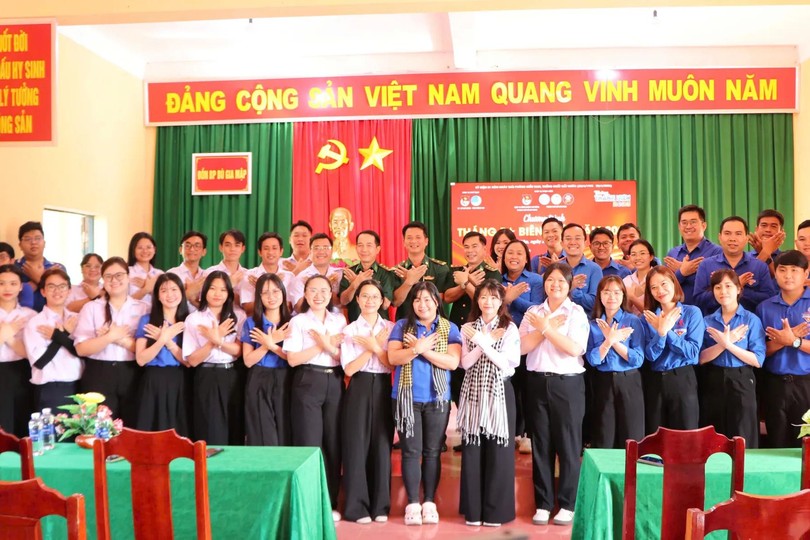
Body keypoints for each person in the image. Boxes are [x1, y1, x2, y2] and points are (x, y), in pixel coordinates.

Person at [519, 262, 589, 526]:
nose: (555, 285)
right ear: (544, 283)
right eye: (551, 280)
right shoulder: (532, 312)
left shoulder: (577, 312)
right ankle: (544, 504)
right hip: (536, 382)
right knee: (541, 445)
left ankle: (568, 504)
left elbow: (574, 348)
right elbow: (522, 348)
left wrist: (545, 329)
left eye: (561, 281)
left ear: (569, 285)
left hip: (567, 384)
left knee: (568, 445)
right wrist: (544, 327)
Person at [388, 282, 461, 526]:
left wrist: (421, 350)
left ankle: (429, 501)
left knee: (432, 452)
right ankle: (412, 503)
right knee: (411, 452)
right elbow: (393, 357)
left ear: (437, 302)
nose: (422, 304)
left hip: (437, 400)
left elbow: (452, 362)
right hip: (406, 399)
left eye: (428, 299)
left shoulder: (449, 328)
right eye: (417, 300)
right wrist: (415, 349)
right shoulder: (401, 326)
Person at [284, 274, 347, 521]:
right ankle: (308, 501)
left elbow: (344, 355)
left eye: (324, 290)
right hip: (307, 381)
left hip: (334, 381)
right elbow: (293, 359)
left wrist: (327, 344)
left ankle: (330, 501)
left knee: (333, 442)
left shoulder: (339, 320)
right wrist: (323, 344)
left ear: (330, 294)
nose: (318, 296)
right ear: (305, 294)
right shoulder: (298, 322)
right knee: (309, 442)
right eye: (313, 291)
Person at [458, 279, 520, 527]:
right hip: (473, 389)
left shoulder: (509, 328)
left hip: (500, 392)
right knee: (473, 448)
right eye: (484, 297)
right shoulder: (468, 328)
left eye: (494, 298)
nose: (488, 302)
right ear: (477, 300)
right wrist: (485, 341)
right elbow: (465, 363)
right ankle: (474, 511)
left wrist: (482, 342)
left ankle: (496, 512)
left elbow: (508, 364)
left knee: (499, 450)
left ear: (501, 302)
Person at [340, 279, 395, 524]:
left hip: (384, 387)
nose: (370, 300)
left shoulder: (392, 328)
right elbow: (350, 368)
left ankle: (380, 506)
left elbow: (392, 363)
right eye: (365, 296)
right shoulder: (350, 329)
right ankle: (356, 507)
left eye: (375, 296)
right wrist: (371, 348)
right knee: (356, 445)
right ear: (358, 299)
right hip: (359, 387)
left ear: (383, 300)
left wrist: (375, 346)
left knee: (382, 444)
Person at [74, 257, 150, 426]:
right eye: (108, 276)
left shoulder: (143, 308)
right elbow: (81, 349)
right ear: (103, 280)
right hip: (99, 373)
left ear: (128, 276)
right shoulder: (91, 308)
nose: (114, 280)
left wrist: (120, 339)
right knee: (99, 429)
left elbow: (147, 351)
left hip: (133, 373)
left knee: (133, 427)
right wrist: (108, 337)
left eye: (119, 275)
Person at [699, 269, 765, 447]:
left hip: (742, 378)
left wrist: (729, 345)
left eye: (728, 286)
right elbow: (701, 358)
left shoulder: (751, 320)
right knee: (714, 432)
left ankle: (744, 473)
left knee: (743, 433)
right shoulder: (707, 321)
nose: (723, 291)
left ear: (738, 289)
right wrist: (724, 344)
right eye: (718, 287)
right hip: (713, 378)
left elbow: (758, 360)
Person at [183, 271, 245, 445]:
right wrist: (212, 341)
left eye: (223, 290)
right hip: (206, 376)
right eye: (212, 289)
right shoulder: (194, 319)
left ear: (229, 293)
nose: (218, 294)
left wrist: (218, 340)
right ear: (204, 291)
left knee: (235, 428)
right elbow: (192, 360)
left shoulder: (238, 316)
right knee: (211, 429)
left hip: (232, 376)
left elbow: (238, 351)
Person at [756, 250, 810, 448]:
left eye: (794, 270)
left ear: (806, 273)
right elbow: (760, 353)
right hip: (774, 385)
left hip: (806, 384)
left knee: (805, 445)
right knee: (776, 442)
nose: (788, 275)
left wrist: (794, 341)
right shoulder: (764, 308)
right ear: (775, 273)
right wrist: (783, 340)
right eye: (782, 270)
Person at [642, 266, 704, 433]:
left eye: (663, 284)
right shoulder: (647, 318)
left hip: (682, 378)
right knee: (655, 435)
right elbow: (650, 355)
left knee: (685, 433)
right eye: (653, 287)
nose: (659, 290)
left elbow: (692, 352)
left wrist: (666, 331)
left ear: (674, 283)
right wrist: (660, 334)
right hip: (655, 380)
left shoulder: (692, 313)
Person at [585, 276, 645, 448]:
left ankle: (630, 475)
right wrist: (608, 341)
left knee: (631, 434)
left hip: (629, 380)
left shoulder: (632, 320)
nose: (612, 296)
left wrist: (614, 342)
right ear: (600, 296)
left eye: (617, 292)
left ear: (623, 296)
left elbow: (637, 359)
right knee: (604, 434)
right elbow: (593, 359)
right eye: (607, 292)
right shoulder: (594, 324)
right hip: (602, 381)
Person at [447, 232, 500, 408]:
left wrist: (465, 283)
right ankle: (463, 417)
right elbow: (447, 297)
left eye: (474, 246)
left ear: (485, 248)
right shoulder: (456, 271)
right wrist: (465, 281)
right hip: (457, 329)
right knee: (457, 375)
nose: (470, 251)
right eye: (466, 247)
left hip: (482, 331)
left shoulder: (492, 273)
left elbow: (486, 301)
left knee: (478, 372)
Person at [133, 273, 190, 436]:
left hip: (179, 379)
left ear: (181, 292)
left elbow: (188, 362)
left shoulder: (188, 321)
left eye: (174, 289)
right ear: (157, 295)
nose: (170, 294)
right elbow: (141, 359)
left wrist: (168, 341)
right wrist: (162, 338)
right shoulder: (147, 321)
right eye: (164, 290)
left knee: (177, 429)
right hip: (153, 380)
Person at [501, 239, 543, 454]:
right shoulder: (497, 280)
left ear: (527, 258)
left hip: (528, 343)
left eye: (519, 252)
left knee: (528, 390)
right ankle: (510, 432)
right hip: (502, 345)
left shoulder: (535, 280)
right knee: (508, 389)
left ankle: (527, 433)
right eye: (509, 253)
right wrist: (504, 299)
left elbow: (537, 308)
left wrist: (511, 299)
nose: (514, 256)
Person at [242, 273, 292, 446]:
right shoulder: (251, 323)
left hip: (286, 377)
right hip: (259, 378)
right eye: (265, 293)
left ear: (283, 293)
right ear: (259, 297)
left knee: (286, 429)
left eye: (276, 291)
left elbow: (292, 359)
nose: (271, 297)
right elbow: (248, 361)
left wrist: (272, 344)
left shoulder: (292, 322)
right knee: (262, 432)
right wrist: (265, 345)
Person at [24, 267, 83, 412]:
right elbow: (40, 362)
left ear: (69, 291)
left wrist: (58, 336)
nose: (57, 291)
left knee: (80, 435)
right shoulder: (35, 322)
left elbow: (82, 352)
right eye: (51, 286)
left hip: (80, 388)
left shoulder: (77, 319)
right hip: (51, 391)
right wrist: (63, 334)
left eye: (62, 286)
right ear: (43, 291)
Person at [693, 216, 776, 315]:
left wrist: (739, 288)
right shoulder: (706, 265)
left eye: (738, 234)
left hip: (750, 325)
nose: (732, 239)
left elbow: (768, 299)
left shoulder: (759, 266)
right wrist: (731, 287)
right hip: (714, 325)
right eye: (727, 233)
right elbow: (698, 301)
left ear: (746, 238)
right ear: (720, 237)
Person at [0, 264, 36, 436]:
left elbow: (29, 353)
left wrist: (8, 335)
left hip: (21, 371)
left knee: (21, 419)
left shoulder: (29, 315)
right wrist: (5, 332)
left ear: (21, 286)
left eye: (13, 283)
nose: (7, 288)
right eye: (1, 283)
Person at [664, 204, 723, 305]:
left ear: (704, 225)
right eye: (684, 223)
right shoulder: (673, 253)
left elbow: (717, 285)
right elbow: (664, 286)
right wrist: (682, 272)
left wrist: (681, 271)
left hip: (708, 314)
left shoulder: (717, 252)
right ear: (679, 226)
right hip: (677, 314)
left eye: (693, 222)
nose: (688, 226)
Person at [392, 221, 452, 320]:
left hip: (434, 324)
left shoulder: (440, 268)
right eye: (409, 238)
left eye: (418, 237)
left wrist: (416, 282)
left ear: (426, 241)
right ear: (404, 242)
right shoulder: (397, 270)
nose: (414, 241)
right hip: (405, 322)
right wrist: (408, 282)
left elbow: (441, 298)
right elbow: (395, 302)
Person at [339, 230, 397, 322]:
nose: (364, 249)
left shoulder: (387, 273)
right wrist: (354, 285)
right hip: (355, 326)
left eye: (369, 245)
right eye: (360, 245)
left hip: (380, 327)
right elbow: (343, 301)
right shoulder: (349, 271)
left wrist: (362, 284)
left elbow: (385, 304)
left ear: (377, 249)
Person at [239, 232, 299, 314]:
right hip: (257, 323)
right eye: (266, 248)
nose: (270, 252)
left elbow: (290, 308)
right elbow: (248, 309)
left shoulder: (289, 277)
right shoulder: (249, 276)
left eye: (274, 248)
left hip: (284, 323)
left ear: (281, 251)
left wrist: (264, 288)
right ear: (260, 252)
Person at [16, 221, 64, 312]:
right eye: (27, 239)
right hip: (18, 321)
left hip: (50, 320)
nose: (33, 242)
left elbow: (62, 296)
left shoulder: (58, 268)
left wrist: (37, 278)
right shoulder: (12, 268)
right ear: (20, 245)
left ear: (44, 243)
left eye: (38, 238)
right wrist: (45, 279)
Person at [293, 234, 343, 311]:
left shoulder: (340, 274)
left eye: (326, 247)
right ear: (310, 251)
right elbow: (298, 308)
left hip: (336, 320)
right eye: (316, 248)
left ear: (332, 251)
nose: (321, 251)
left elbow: (342, 303)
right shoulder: (302, 277)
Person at [561, 223, 603, 313]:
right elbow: (549, 299)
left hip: (585, 324)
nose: (573, 242)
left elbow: (595, 303)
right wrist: (569, 287)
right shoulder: (556, 269)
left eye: (577, 238)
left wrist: (571, 290)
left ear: (584, 243)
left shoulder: (594, 269)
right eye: (568, 239)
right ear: (562, 243)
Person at [166, 231, 208, 309]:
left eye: (197, 246)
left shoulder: (207, 276)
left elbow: (211, 308)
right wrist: (188, 293)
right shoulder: (171, 274)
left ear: (204, 252)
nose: (192, 249)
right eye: (187, 245)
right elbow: (166, 304)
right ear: (180, 250)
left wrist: (193, 301)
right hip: (177, 320)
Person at [205, 229, 248, 304]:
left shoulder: (248, 275)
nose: (232, 249)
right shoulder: (210, 273)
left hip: (244, 316)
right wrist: (228, 284)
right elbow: (204, 302)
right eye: (228, 245)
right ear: (221, 247)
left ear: (243, 248)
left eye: (237, 245)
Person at [127, 232, 163, 305]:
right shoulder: (127, 272)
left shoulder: (160, 274)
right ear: (133, 250)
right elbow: (122, 303)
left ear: (154, 250)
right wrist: (145, 289)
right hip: (132, 316)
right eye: (140, 248)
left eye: (148, 247)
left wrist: (152, 290)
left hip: (156, 316)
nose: (145, 251)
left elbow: (167, 300)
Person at [622, 239, 657, 315]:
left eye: (642, 253)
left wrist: (632, 297)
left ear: (651, 257)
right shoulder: (626, 280)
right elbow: (623, 311)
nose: (638, 257)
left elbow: (654, 313)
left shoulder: (658, 278)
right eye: (633, 254)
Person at [748, 209, 786, 274]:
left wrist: (764, 252)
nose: (768, 230)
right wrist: (765, 252)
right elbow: (749, 280)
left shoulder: (788, 258)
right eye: (764, 225)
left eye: (773, 226)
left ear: (781, 232)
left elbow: (780, 280)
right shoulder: (745, 258)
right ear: (756, 229)